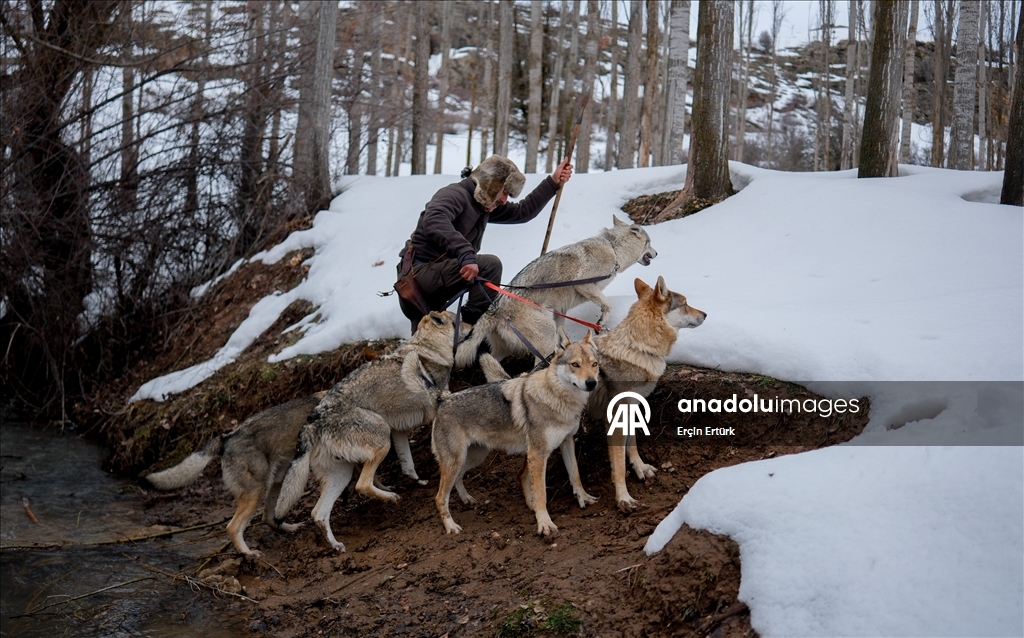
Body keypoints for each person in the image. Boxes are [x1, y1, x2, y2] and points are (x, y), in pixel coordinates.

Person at [396, 155, 573, 331]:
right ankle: (470, 330)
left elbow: (522, 211)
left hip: (436, 278)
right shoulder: (455, 194)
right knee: (490, 266)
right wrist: (466, 254)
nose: (505, 200)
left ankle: (456, 342)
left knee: (426, 347)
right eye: (504, 192)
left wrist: (552, 182)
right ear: (491, 184)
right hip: (419, 277)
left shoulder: (482, 205)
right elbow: (434, 220)